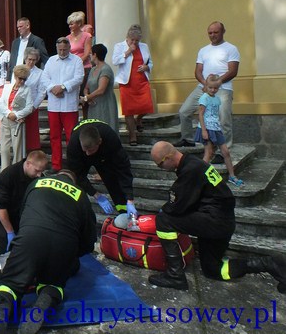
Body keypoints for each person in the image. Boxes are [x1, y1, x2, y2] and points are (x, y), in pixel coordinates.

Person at [148, 141, 286, 294]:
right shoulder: (193, 163)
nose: (160, 168)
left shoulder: (190, 170)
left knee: (163, 220)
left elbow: (176, 206)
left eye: (160, 164)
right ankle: (268, 263)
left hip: (215, 221)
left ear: (168, 157)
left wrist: (163, 210)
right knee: (212, 270)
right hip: (221, 222)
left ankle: (175, 275)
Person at [0, 170, 97, 334]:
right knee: (53, 283)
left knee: (10, 283)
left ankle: (0, 313)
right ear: (72, 182)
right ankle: (44, 302)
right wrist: (72, 256)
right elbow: (89, 241)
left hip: (32, 236)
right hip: (64, 244)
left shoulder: (35, 184)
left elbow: (24, 214)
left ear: (56, 175)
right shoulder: (80, 195)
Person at [176, 21, 240, 153]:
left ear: (223, 32)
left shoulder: (231, 49)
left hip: (223, 88)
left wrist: (216, 83)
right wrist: (206, 84)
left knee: (223, 118)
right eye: (210, 33)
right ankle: (187, 139)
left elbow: (233, 71)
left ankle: (224, 149)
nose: (212, 35)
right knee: (184, 111)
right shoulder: (203, 50)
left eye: (216, 32)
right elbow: (198, 71)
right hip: (203, 88)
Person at [0, 149, 49, 255]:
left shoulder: (37, 177)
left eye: (41, 171)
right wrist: (9, 231)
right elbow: (0, 206)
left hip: (20, 211)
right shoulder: (9, 175)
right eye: (37, 171)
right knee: (5, 249)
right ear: (28, 164)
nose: (39, 175)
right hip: (2, 212)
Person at [64, 119, 136, 216]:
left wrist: (130, 199)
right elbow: (77, 174)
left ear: (100, 141)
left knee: (113, 180)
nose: (88, 153)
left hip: (103, 153)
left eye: (90, 150)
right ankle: (80, 215)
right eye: (85, 150)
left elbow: (123, 168)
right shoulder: (74, 145)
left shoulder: (110, 138)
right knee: (77, 186)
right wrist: (96, 194)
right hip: (81, 157)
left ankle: (124, 212)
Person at [43, 37, 84, 170]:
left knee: (71, 137)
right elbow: (44, 78)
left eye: (64, 50)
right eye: (60, 49)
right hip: (54, 105)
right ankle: (56, 165)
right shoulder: (51, 60)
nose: (62, 52)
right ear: (56, 48)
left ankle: (73, 165)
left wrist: (63, 87)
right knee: (54, 137)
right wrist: (53, 88)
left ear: (69, 48)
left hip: (69, 105)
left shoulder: (76, 60)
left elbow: (79, 78)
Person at [195, 75, 243, 187]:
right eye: (210, 87)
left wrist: (219, 127)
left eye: (215, 88)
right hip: (207, 128)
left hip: (216, 128)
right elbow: (200, 114)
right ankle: (198, 177)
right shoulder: (204, 98)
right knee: (208, 153)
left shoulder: (217, 99)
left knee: (226, 152)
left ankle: (232, 176)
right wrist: (204, 131)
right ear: (206, 86)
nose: (213, 90)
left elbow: (215, 114)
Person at [112, 24, 153, 146]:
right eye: (132, 40)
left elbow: (150, 62)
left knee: (147, 106)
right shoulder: (119, 46)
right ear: (127, 37)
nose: (134, 42)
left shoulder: (144, 47)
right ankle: (132, 135)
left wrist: (147, 67)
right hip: (127, 82)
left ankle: (138, 119)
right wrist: (128, 51)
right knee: (128, 110)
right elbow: (115, 61)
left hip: (141, 81)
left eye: (137, 40)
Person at [0, 65, 34, 170]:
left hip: (17, 122)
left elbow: (29, 107)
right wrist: (9, 113)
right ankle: (5, 171)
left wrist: (17, 115)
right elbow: (0, 104)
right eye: (20, 78)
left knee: (17, 149)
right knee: (4, 149)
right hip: (5, 119)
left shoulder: (27, 89)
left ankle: (15, 172)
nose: (22, 81)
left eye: (24, 79)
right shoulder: (7, 87)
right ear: (15, 76)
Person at [83, 44, 118, 132]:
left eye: (91, 53)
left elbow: (101, 90)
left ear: (95, 55)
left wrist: (87, 98)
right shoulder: (92, 69)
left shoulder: (105, 69)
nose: (89, 55)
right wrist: (87, 96)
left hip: (105, 104)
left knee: (105, 128)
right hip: (93, 105)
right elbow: (86, 87)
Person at [67, 11, 92, 118]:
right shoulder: (67, 38)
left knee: (84, 97)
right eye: (69, 24)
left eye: (72, 24)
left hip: (85, 68)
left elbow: (87, 53)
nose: (70, 26)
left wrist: (76, 64)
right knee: (72, 96)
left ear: (78, 23)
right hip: (71, 70)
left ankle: (86, 119)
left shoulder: (87, 36)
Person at [21, 48, 47, 152]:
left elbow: (42, 92)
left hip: (32, 105)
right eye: (29, 59)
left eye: (34, 60)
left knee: (31, 132)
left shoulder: (40, 73)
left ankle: (32, 153)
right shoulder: (18, 69)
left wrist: (34, 106)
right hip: (19, 105)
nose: (31, 62)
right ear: (25, 58)